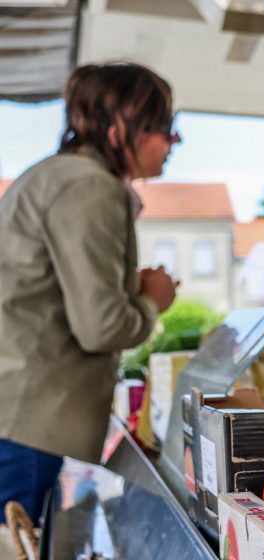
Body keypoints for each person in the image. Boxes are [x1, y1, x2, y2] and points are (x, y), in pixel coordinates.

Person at [0, 62, 180, 524]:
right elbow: (102, 326)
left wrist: (128, 288)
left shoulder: (60, 176)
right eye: (164, 127)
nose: (173, 142)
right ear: (120, 127)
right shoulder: (90, 187)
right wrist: (152, 299)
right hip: (25, 423)